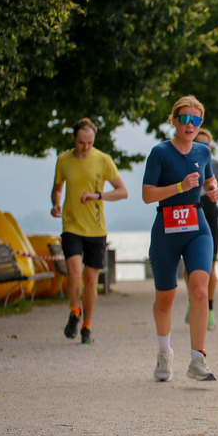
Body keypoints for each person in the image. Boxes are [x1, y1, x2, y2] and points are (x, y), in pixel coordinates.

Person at [141, 95, 218, 382]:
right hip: (166, 228)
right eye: (185, 119)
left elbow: (209, 180)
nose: (190, 124)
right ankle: (165, 354)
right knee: (166, 297)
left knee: (199, 289)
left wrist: (214, 190)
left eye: (196, 120)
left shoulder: (203, 152)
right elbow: (147, 194)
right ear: (174, 120)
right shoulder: (160, 153)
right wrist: (178, 186)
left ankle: (197, 359)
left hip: (197, 226)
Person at [51, 117, 128, 344]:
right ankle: (74, 311)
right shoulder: (63, 160)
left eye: (90, 143)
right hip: (72, 225)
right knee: (74, 273)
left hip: (96, 228)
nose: (86, 147)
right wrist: (55, 203)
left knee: (91, 281)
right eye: (82, 142)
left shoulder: (103, 160)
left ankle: (87, 326)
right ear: (74, 138)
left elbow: (123, 191)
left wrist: (98, 196)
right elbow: (57, 189)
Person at [185, 128, 218, 331]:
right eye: (199, 143)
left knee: (211, 264)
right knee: (190, 265)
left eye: (206, 144)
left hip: (210, 213)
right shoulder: (184, 162)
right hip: (189, 212)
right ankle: (192, 301)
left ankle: (210, 309)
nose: (203, 147)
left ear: (210, 147)